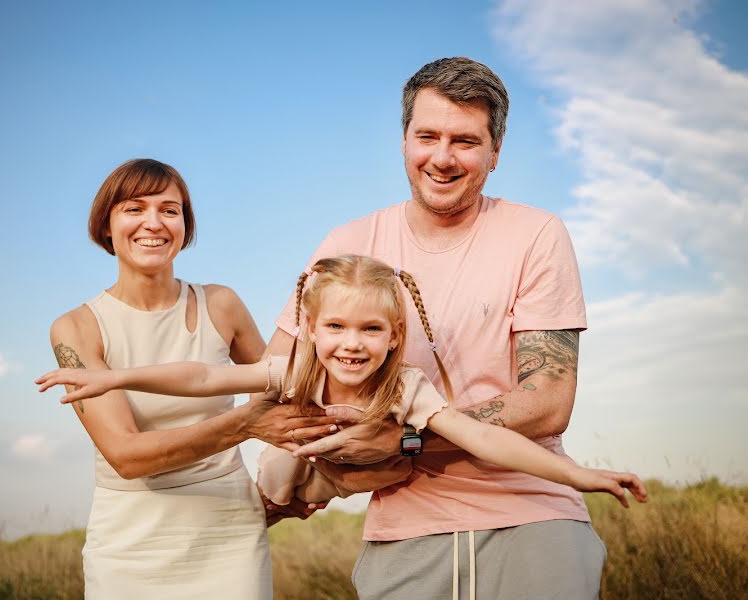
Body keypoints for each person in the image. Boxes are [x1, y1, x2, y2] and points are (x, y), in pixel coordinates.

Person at [261, 57, 615, 599]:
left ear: (496, 152)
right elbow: (280, 377)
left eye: (466, 141)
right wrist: (317, 464)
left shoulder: (536, 234)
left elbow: (547, 400)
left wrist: (401, 441)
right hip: (402, 530)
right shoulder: (346, 244)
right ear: (404, 140)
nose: (442, 158)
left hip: (532, 514)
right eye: (426, 136)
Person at [37, 254, 645, 516]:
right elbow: (201, 375)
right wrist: (116, 374)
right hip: (303, 463)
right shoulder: (298, 369)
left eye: (370, 329)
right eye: (335, 327)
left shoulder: (405, 387)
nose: (351, 344)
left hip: (364, 468)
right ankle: (279, 508)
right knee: (277, 468)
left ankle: (315, 493)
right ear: (310, 327)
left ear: (393, 334)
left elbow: (486, 439)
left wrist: (580, 474)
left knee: (397, 466)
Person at [45, 158, 335, 599]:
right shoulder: (77, 329)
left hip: (229, 533)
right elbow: (127, 456)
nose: (153, 223)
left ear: (185, 224)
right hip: (128, 544)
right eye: (134, 208)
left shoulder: (222, 304)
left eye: (169, 209)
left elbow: (288, 396)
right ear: (106, 224)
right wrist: (246, 424)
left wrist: (297, 485)